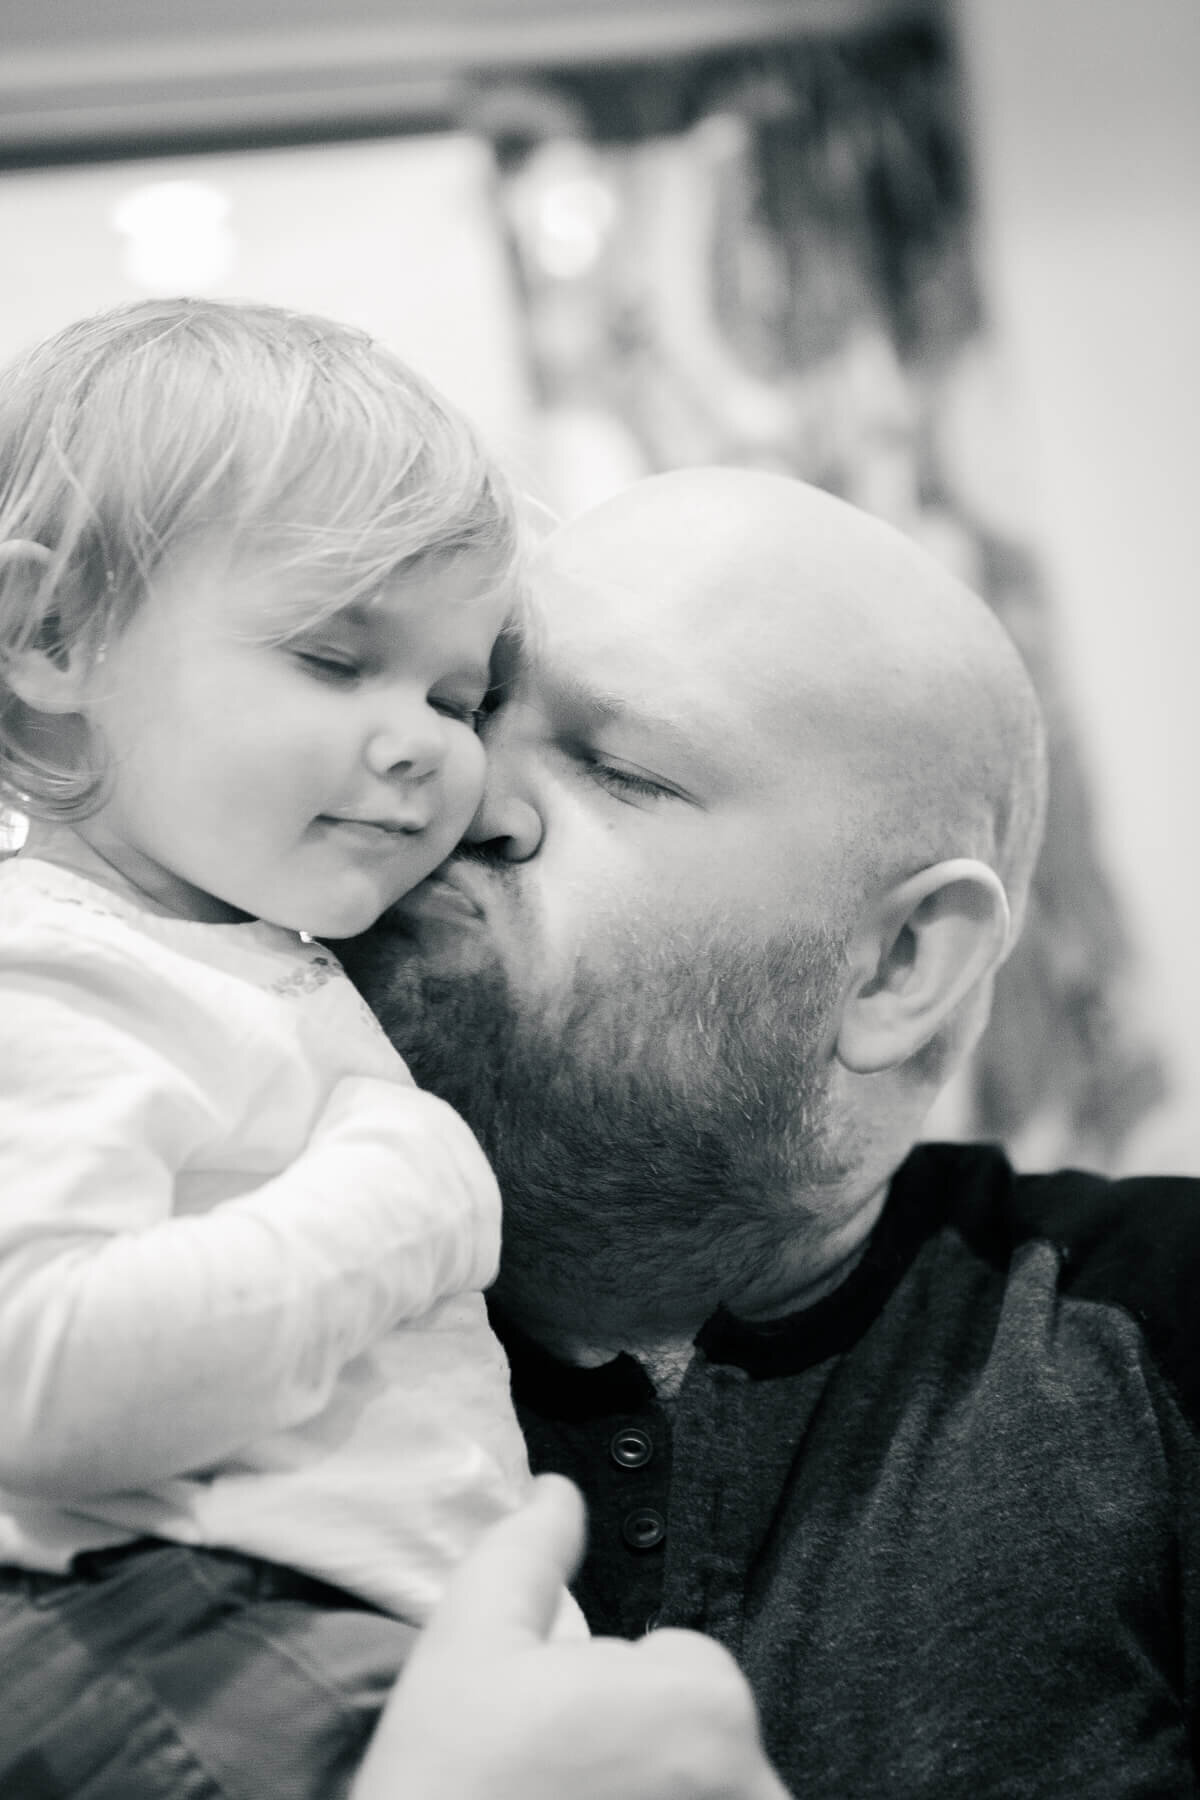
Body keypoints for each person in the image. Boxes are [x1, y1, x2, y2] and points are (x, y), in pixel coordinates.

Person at [340, 464, 1200, 1799]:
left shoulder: (1159, 1329)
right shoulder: (173, 1332)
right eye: (476, 709)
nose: (459, 797)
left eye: (619, 770)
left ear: (900, 966)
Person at [0, 296, 591, 1800]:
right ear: (48, 637)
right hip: (182, 1627)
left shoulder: (234, 954)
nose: (425, 744)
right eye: (336, 661)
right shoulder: (52, 967)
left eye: (459, 695)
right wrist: (405, 1193)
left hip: (332, 1641)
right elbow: (41, 1379)